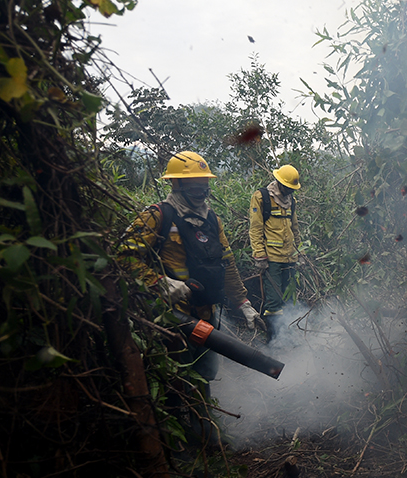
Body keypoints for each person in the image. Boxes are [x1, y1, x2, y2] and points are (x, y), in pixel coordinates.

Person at [118, 150, 262, 445]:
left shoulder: (211, 219)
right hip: (172, 319)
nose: (200, 191)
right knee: (173, 381)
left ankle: (204, 435)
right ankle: (174, 443)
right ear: (177, 185)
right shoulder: (158, 215)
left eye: (203, 185)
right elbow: (123, 256)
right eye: (193, 185)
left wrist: (243, 303)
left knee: (204, 375)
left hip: (206, 315)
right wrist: (159, 283)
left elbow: (227, 262)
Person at [249, 164, 302, 336]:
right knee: (274, 302)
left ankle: (288, 337)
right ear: (280, 183)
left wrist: (300, 252)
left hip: (290, 259)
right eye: (288, 187)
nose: (290, 191)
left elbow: (295, 228)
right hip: (272, 260)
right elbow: (255, 228)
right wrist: (259, 255)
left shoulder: (291, 201)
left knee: (289, 300)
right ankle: (273, 341)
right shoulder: (262, 197)